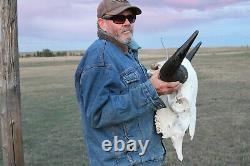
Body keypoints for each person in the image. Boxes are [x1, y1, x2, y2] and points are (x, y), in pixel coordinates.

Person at [75, 0, 181, 165]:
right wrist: (150, 90)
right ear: (102, 23)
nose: (127, 23)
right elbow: (98, 114)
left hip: (143, 157)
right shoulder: (100, 56)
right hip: (124, 161)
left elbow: (128, 88)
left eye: (130, 18)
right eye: (118, 18)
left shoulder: (124, 52)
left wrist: (155, 77)